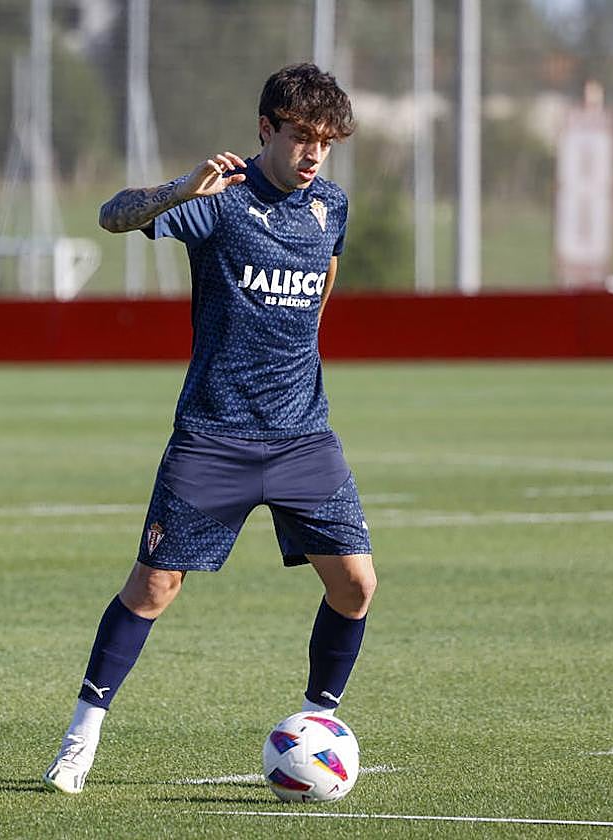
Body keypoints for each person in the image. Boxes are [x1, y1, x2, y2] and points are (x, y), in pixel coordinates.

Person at [44, 63, 376, 794]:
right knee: (154, 587)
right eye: (300, 136)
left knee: (355, 586)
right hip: (213, 439)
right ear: (266, 129)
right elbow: (110, 213)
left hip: (301, 437)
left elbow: (320, 296)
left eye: (325, 141)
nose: (313, 153)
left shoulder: (332, 206)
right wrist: (179, 189)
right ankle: (80, 737)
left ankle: (317, 724)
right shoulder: (219, 200)